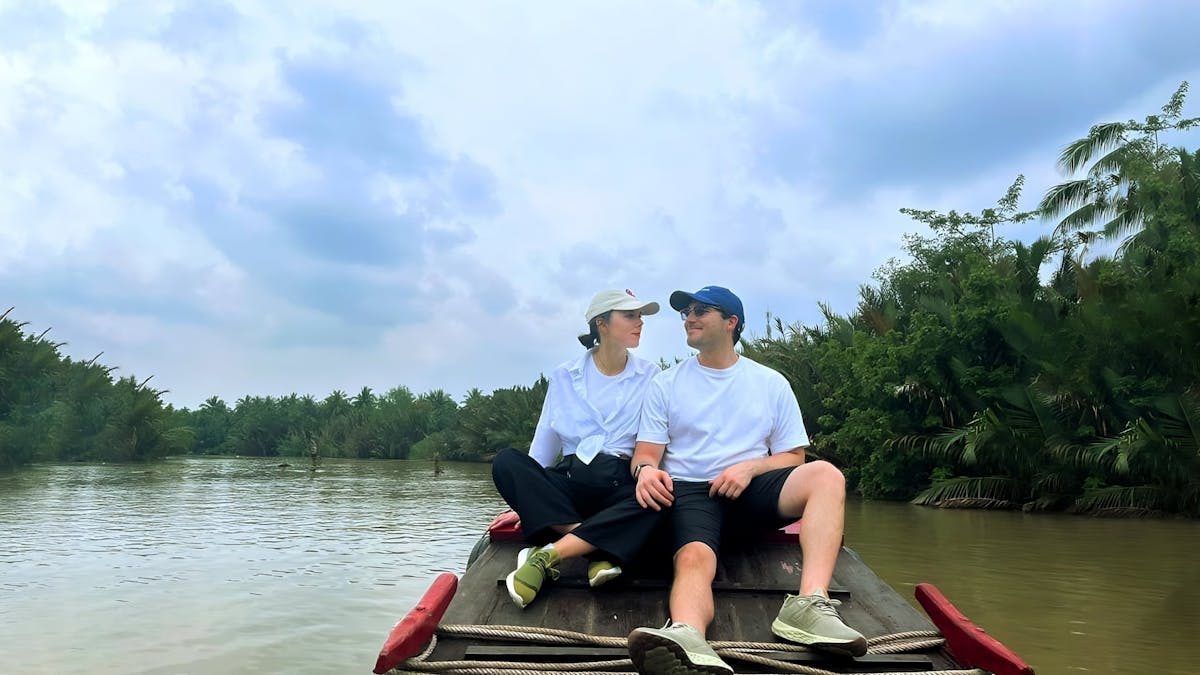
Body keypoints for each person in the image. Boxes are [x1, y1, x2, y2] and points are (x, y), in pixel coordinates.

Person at [625, 285, 867, 675]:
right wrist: (646, 472)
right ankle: (688, 634)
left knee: (825, 474)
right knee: (694, 557)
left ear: (731, 322)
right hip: (689, 491)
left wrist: (751, 467)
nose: (689, 317)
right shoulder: (666, 384)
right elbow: (647, 454)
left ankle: (809, 604)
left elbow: (793, 457)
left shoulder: (770, 382)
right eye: (686, 311)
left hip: (750, 490)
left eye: (701, 310)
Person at [491, 289, 664, 609]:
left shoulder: (652, 377)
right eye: (630, 315)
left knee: (660, 499)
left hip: (620, 483)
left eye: (641, 317)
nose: (640, 323)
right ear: (602, 323)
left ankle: (553, 550)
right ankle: (598, 549)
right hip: (570, 482)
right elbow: (545, 440)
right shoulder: (564, 375)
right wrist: (522, 500)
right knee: (506, 462)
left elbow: (655, 441)